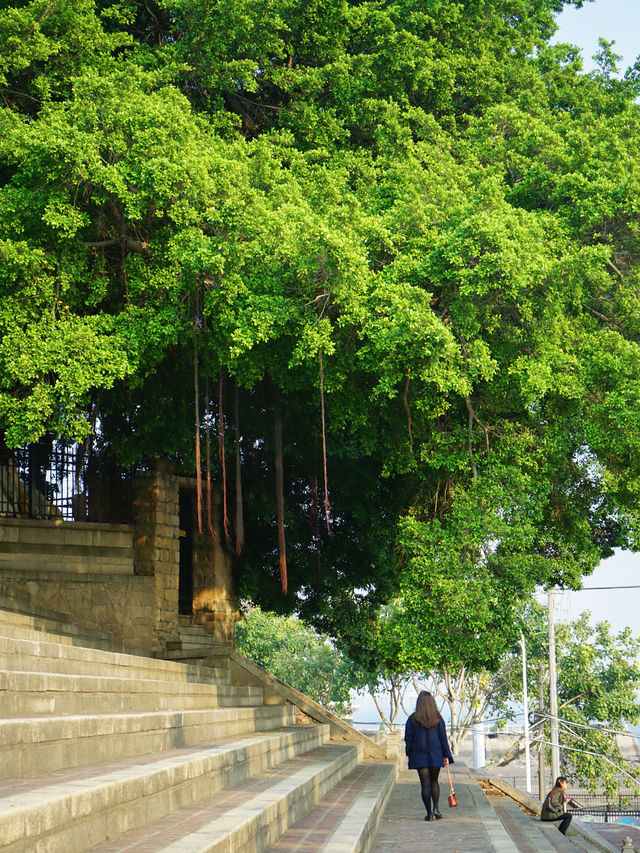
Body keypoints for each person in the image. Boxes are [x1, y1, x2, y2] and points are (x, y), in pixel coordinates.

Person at [404, 691, 454, 821]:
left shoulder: (412, 719)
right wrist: (446, 754)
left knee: (424, 784)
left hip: (419, 755)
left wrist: (408, 752)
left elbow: (408, 738)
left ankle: (429, 814)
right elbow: (443, 738)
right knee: (434, 781)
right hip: (435, 754)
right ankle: (436, 808)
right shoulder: (438, 718)